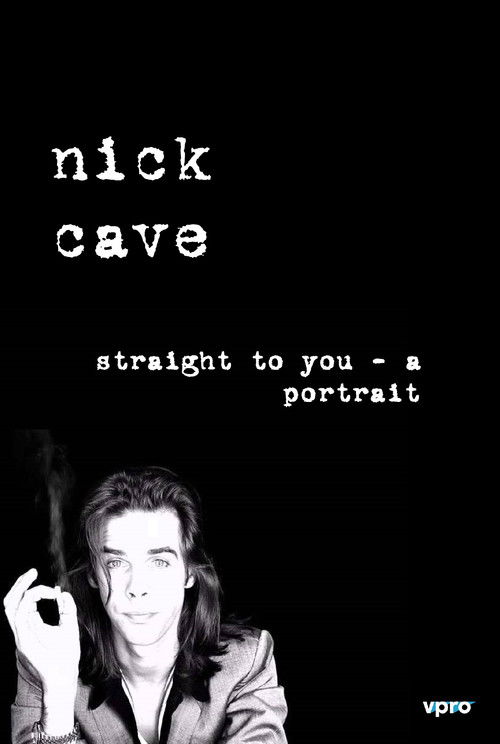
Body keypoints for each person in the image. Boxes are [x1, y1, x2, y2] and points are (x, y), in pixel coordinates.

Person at [5, 466, 288, 743]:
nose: (137, 588)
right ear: (93, 575)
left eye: (159, 562)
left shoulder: (246, 661)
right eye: (116, 563)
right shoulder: (47, 661)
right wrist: (57, 692)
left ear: (190, 573)